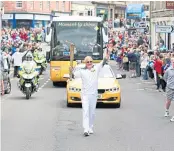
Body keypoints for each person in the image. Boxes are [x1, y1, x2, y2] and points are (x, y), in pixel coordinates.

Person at [72, 51, 110, 137]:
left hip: (93, 94)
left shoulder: (96, 68)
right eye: (87, 62)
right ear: (85, 63)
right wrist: (71, 71)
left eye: (90, 61)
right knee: (85, 111)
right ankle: (86, 129)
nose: (89, 63)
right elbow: (73, 76)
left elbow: (103, 61)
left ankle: (90, 127)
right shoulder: (82, 71)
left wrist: (108, 53)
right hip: (85, 94)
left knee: (92, 112)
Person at [163, 57, 174, 122]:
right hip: (170, 87)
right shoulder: (168, 70)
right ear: (172, 62)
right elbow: (165, 78)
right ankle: (167, 110)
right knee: (168, 101)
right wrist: (169, 83)